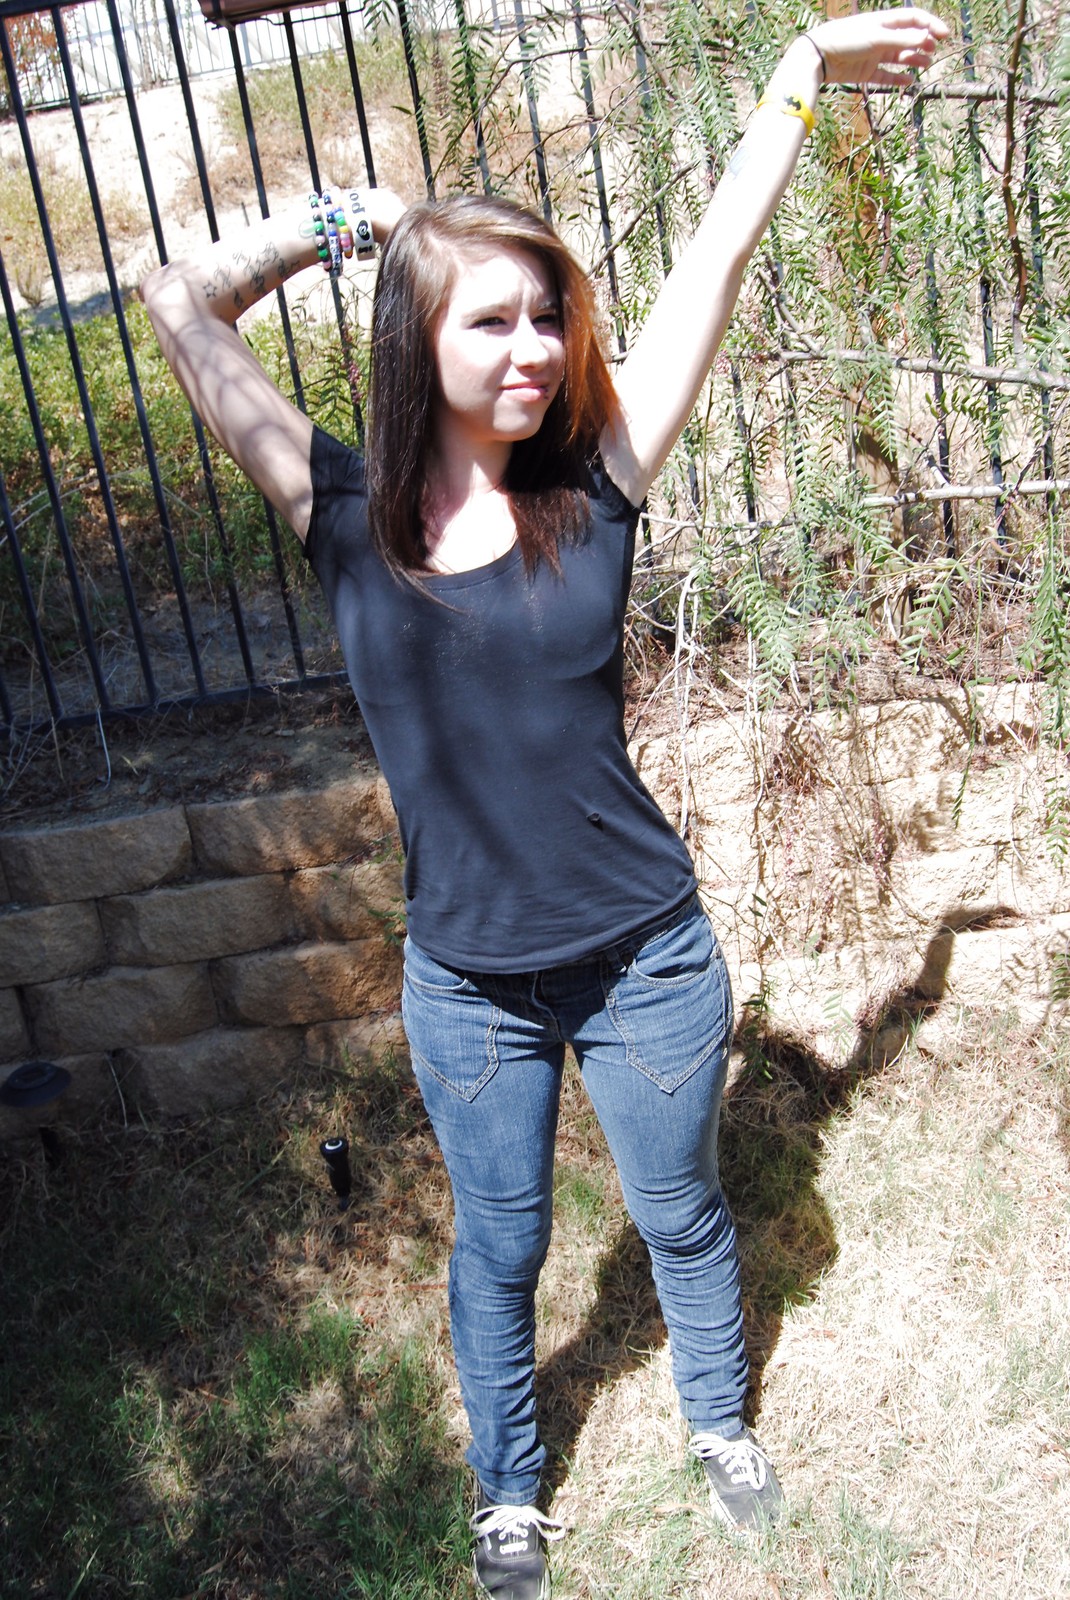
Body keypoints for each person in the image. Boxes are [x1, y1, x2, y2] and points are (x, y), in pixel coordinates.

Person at [142, 9, 948, 1595]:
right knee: (499, 1245)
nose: (530, 348)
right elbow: (177, 302)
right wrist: (350, 227)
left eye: (544, 316)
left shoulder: (599, 479)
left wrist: (795, 73)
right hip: (468, 981)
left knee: (680, 1211)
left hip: (644, 951)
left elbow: (713, 263)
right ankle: (509, 1488)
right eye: (489, 321)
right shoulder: (338, 512)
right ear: (416, 340)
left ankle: (716, 1423)